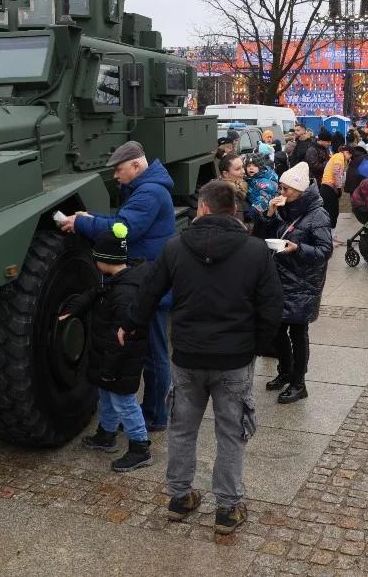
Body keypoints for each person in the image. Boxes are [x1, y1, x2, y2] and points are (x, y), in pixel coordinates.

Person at [121, 180, 282, 535]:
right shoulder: (256, 251)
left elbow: (149, 292)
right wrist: (252, 345)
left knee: (181, 431)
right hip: (234, 361)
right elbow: (272, 309)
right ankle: (227, 509)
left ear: (204, 208)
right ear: (233, 211)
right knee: (231, 434)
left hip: (188, 357)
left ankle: (180, 498)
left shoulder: (175, 247)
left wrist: (129, 325)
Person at [59, 141, 176, 431]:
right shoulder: (147, 189)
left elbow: (123, 228)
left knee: (155, 354)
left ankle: (155, 416)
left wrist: (83, 223)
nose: (116, 176)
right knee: (153, 351)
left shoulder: (148, 193)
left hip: (150, 285)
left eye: (119, 169)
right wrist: (91, 219)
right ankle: (152, 412)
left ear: (136, 166)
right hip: (150, 280)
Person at [65, 224, 153, 472]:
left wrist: (109, 368)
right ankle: (107, 434)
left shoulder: (125, 294)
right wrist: (77, 307)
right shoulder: (118, 281)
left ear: (105, 260)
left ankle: (140, 447)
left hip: (119, 363)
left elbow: (120, 340)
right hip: (109, 359)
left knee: (124, 402)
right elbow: (97, 292)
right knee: (107, 396)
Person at [259, 162, 333, 404]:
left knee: (298, 332)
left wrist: (298, 248)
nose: (282, 193)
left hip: (304, 282)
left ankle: (299, 383)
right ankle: (285, 371)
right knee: (277, 328)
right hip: (280, 277)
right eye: (280, 188)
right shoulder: (286, 207)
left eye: (286, 189)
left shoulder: (317, 214)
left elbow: (325, 250)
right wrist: (270, 213)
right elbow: (263, 235)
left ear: (300, 190)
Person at [320, 142, 351, 238]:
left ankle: (328, 234)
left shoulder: (337, 156)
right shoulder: (339, 157)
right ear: (346, 152)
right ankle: (330, 235)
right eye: (350, 154)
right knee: (333, 212)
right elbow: (336, 172)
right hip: (329, 187)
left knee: (328, 211)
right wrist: (338, 187)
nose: (350, 157)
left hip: (326, 187)